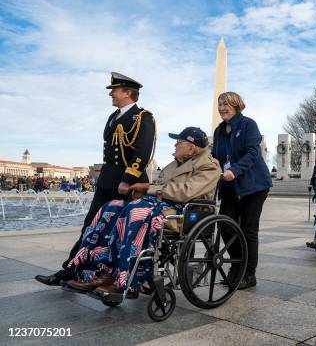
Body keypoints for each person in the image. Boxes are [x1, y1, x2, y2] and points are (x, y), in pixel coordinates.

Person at [64, 127, 220, 296]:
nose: (175, 145)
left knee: (135, 211)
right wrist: (143, 191)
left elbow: (186, 191)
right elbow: (158, 188)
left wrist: (149, 189)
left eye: (179, 142)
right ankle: (101, 272)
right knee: (112, 207)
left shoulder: (209, 166)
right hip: (161, 205)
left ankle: (127, 280)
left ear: (192, 147)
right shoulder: (173, 164)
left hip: (184, 212)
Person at [36, 72, 156, 286]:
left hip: (129, 183)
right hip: (107, 180)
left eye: (115, 91)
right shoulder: (114, 117)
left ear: (128, 93)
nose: (111, 95)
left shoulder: (143, 117)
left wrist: (128, 179)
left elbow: (143, 151)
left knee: (124, 232)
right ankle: (71, 269)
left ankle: (122, 277)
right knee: (90, 225)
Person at [212, 91, 272, 290]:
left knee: (248, 230)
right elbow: (214, 159)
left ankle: (248, 274)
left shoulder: (248, 124)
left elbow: (253, 153)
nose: (222, 108)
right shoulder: (219, 131)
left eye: (226, 104)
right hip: (229, 186)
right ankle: (237, 265)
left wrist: (234, 171)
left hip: (254, 185)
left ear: (236, 105)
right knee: (225, 227)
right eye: (220, 104)